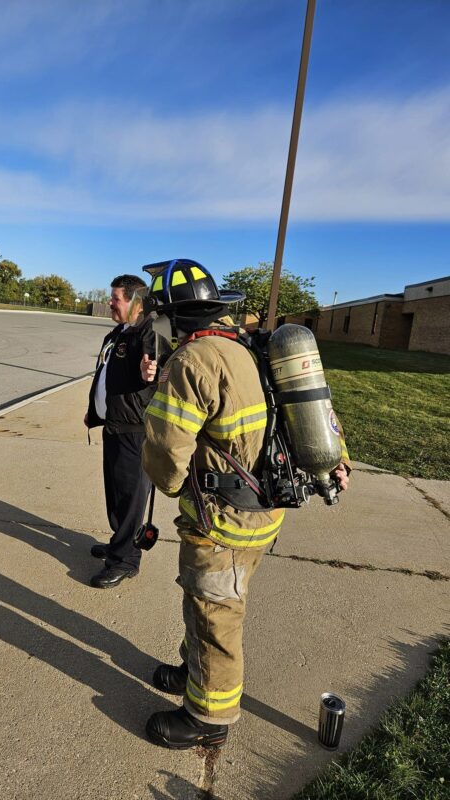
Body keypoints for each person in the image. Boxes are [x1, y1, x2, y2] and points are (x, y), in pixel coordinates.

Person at [137, 259, 351, 749]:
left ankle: (208, 717)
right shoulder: (252, 347)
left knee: (216, 616)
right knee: (209, 606)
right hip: (264, 511)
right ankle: (195, 673)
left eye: (159, 317)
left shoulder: (192, 362)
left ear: (172, 317)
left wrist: (172, 489)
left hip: (221, 523)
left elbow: (167, 454)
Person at [84, 274, 155, 588]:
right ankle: (118, 544)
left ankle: (126, 561)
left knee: (131, 497)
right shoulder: (117, 333)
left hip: (135, 431)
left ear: (135, 302)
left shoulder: (150, 330)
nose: (111, 303)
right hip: (113, 427)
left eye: (116, 299)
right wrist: (94, 411)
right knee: (116, 493)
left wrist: (150, 372)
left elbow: (158, 365)